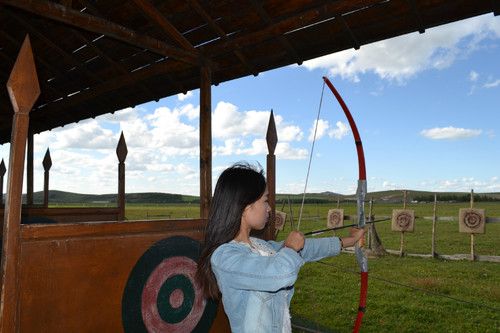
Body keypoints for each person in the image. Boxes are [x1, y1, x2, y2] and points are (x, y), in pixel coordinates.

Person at [196, 162, 364, 333]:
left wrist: (348, 241)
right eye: (265, 200)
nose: (269, 208)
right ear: (246, 206)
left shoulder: (260, 246)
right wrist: (290, 249)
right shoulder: (225, 257)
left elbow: (307, 248)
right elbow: (280, 273)